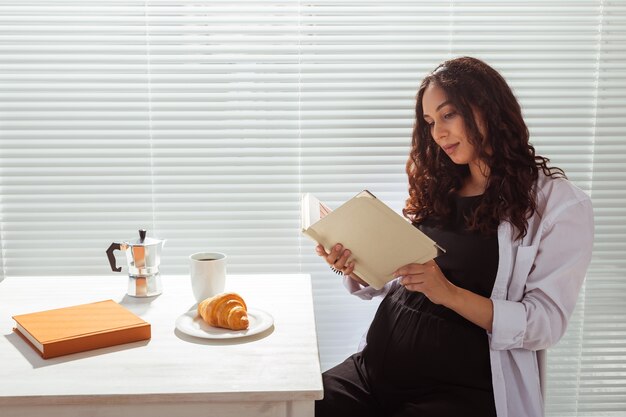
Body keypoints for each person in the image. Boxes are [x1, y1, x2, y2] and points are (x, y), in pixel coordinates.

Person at [314, 56, 594, 417]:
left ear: (488, 109)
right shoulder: (441, 184)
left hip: (455, 392)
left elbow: (544, 324)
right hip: (373, 370)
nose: (438, 133)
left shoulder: (559, 206)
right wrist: (352, 264)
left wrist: (447, 292)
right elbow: (396, 275)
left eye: (448, 115)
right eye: (430, 122)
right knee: (292, 409)